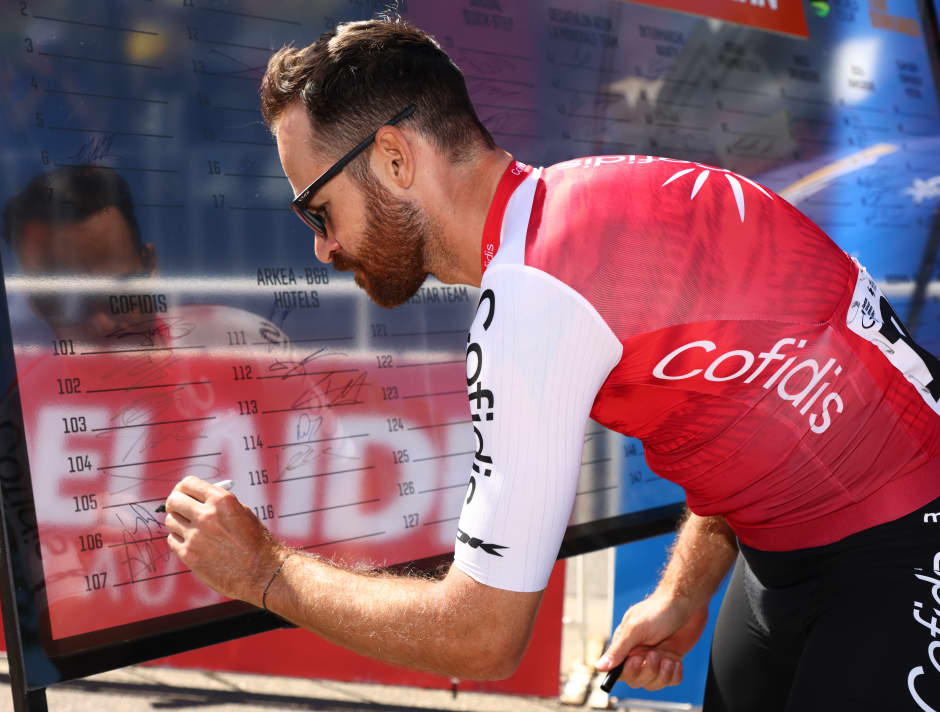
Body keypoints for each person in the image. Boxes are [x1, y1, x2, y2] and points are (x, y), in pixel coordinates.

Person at [162, 17, 940, 710]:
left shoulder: (535, 297)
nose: (322, 246)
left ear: (394, 159)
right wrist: (682, 590)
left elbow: (481, 636)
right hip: (789, 552)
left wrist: (265, 573)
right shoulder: (588, 198)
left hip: (906, 539)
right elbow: (751, 402)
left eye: (317, 209)